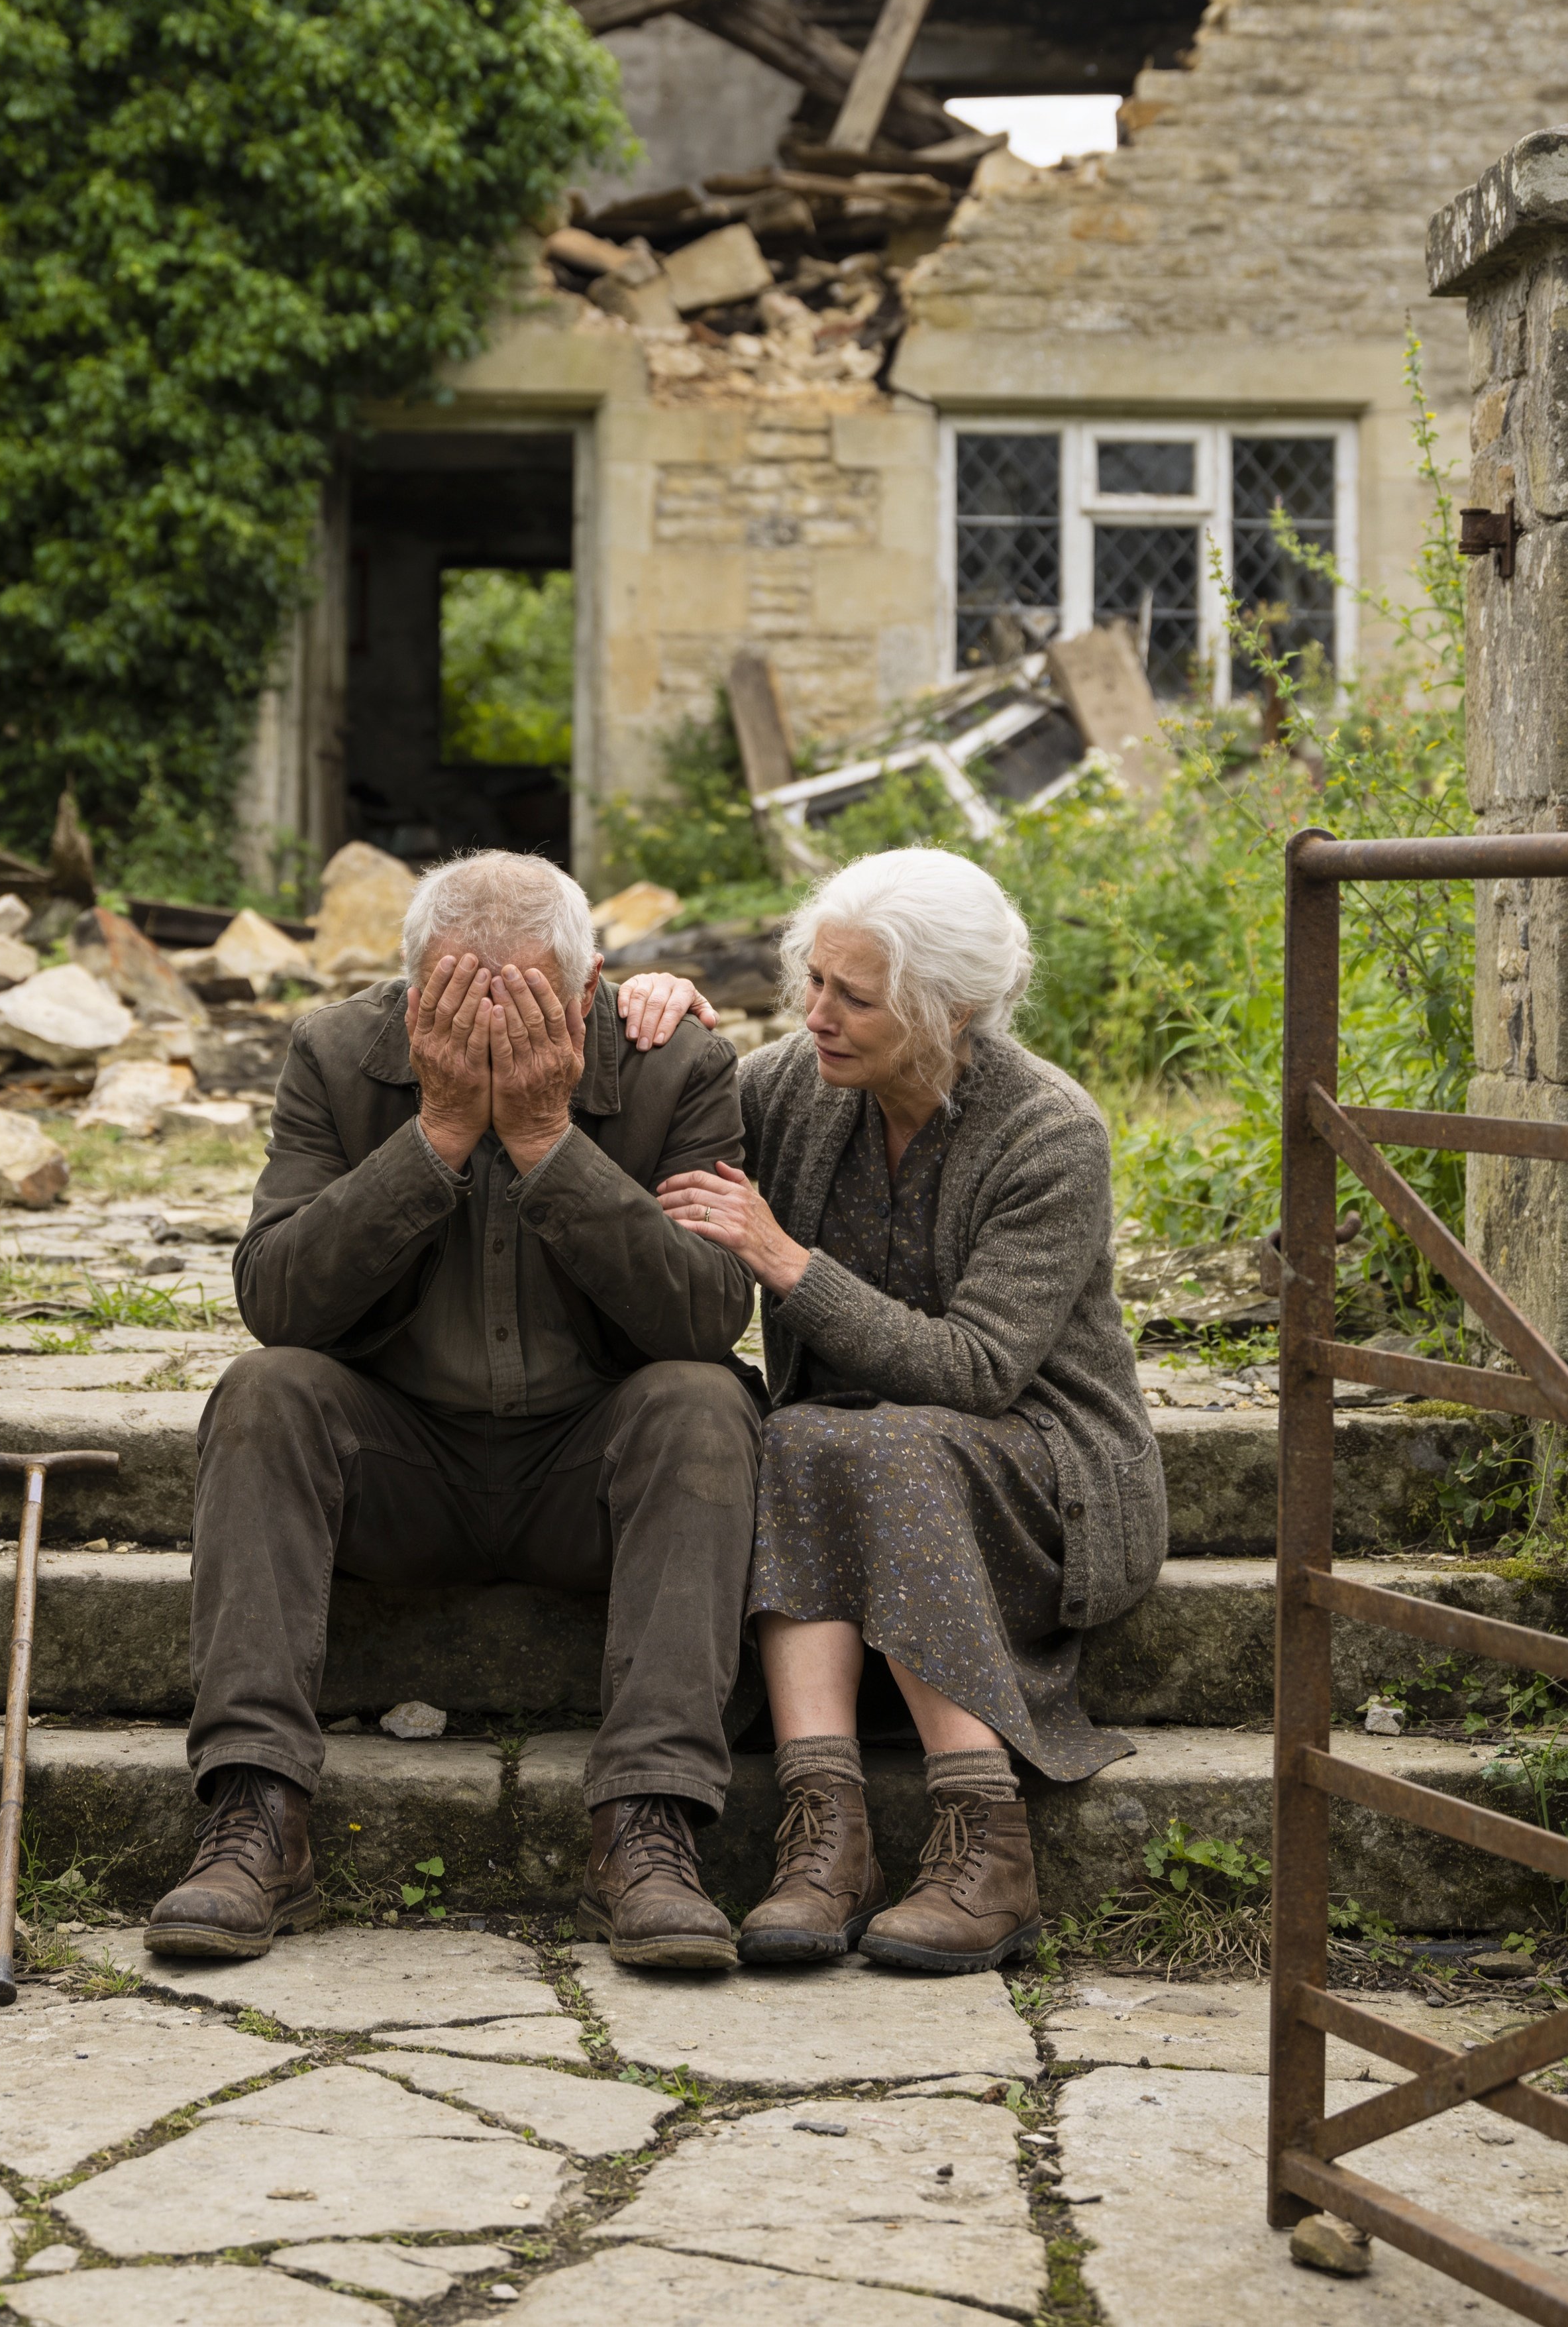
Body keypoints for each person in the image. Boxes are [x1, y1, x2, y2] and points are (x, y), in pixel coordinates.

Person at [148, 851, 757, 1973]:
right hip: (401, 1464)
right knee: (263, 1391)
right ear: (408, 984)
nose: (490, 1025)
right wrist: (431, 1135)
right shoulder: (337, 1052)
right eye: (456, 997)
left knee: (704, 1401)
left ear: (588, 993)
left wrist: (545, 1141)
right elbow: (277, 1298)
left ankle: (648, 1824)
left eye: (525, 999)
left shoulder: (681, 1065)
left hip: (590, 1468)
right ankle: (256, 1810)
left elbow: (709, 1313)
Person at [657, 844, 1165, 1978]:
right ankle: (826, 1836)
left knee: (879, 1437)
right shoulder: (792, 1084)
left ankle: (988, 1843)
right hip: (852, 1469)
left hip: (1053, 1477)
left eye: (853, 996)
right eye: (814, 980)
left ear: (950, 1010)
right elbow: (661, 1115)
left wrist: (789, 1262)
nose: (815, 1013)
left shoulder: (1049, 1130)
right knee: (792, 1426)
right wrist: (661, 1018)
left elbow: (982, 1368)